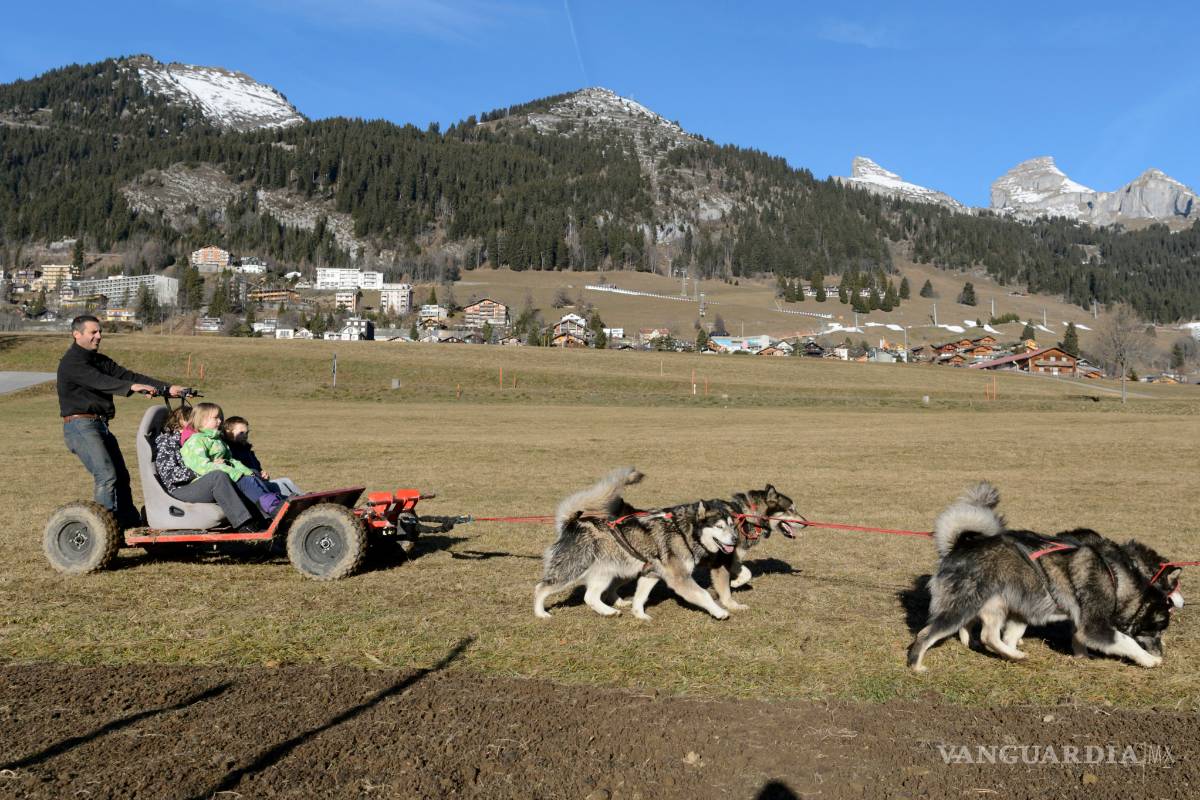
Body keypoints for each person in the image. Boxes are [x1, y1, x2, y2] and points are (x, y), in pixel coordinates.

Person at [58, 314, 186, 528]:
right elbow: (101, 381)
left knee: (121, 476)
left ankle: (129, 524)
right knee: (106, 475)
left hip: (100, 425)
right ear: (76, 334)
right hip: (80, 425)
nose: (99, 336)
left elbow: (128, 375)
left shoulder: (99, 360)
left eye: (100, 332)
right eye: (93, 332)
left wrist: (167, 388)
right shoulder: (72, 363)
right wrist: (131, 388)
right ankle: (104, 530)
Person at [156, 405, 258, 531]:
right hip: (180, 490)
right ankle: (244, 525)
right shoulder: (168, 442)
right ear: (179, 423)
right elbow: (170, 475)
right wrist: (204, 467)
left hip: (200, 483)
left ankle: (261, 516)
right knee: (217, 476)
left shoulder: (202, 439)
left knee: (246, 473)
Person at [181, 402, 283, 517]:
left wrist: (246, 471)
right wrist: (234, 472)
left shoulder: (217, 440)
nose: (220, 421)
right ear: (202, 420)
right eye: (216, 418)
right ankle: (272, 508)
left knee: (252, 475)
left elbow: (231, 460)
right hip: (207, 481)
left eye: (220, 418)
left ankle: (277, 504)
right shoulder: (195, 441)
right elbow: (201, 466)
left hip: (225, 474)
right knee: (244, 480)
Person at [222, 415, 302, 497]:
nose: (245, 436)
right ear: (228, 432)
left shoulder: (246, 450)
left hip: (259, 482)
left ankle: (303, 498)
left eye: (247, 433)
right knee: (277, 486)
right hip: (248, 487)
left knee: (286, 480)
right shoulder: (228, 451)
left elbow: (258, 469)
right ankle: (293, 502)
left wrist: (263, 475)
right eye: (241, 433)